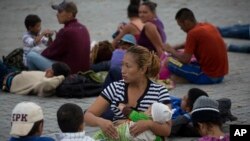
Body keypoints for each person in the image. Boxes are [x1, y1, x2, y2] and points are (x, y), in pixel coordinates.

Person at [84, 46, 172, 140]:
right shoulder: (115, 88)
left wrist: (148, 124)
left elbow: (167, 130)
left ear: (143, 69)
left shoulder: (159, 92)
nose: (122, 71)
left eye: (128, 66)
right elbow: (88, 115)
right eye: (122, 65)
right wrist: (100, 122)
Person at [164, 8, 228, 84]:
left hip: (209, 77)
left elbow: (185, 60)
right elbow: (191, 43)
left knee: (169, 61)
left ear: (186, 22)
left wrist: (171, 51)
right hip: (221, 75)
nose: (181, 29)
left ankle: (185, 79)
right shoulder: (208, 26)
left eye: (181, 26)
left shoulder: (192, 33)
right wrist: (174, 47)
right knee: (181, 58)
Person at [27, 1, 90, 74]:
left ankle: (36, 80)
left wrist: (40, 53)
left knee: (30, 55)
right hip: (83, 71)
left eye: (60, 11)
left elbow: (49, 54)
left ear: (69, 14)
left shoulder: (66, 31)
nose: (57, 14)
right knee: (37, 52)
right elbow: (58, 51)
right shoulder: (83, 28)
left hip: (69, 72)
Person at [94, 102, 172, 141]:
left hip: (124, 132)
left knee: (105, 136)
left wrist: (123, 107)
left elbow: (132, 114)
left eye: (148, 109)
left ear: (151, 115)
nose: (146, 110)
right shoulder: (156, 134)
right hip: (129, 138)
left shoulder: (144, 118)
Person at [1, 62, 70, 97]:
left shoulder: (46, 83)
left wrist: (62, 77)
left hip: (5, 79)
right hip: (13, 72)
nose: (48, 69)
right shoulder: (48, 76)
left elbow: (47, 84)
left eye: (51, 70)